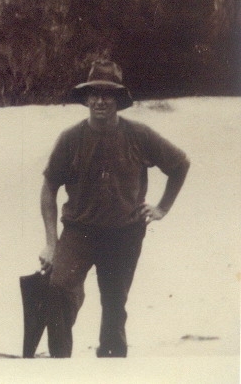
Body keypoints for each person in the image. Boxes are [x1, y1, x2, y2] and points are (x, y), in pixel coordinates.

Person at [38, 59, 190, 358]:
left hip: (124, 234)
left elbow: (180, 164)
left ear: (119, 100)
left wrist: (162, 208)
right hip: (78, 231)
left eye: (108, 94)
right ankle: (58, 367)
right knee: (58, 290)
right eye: (94, 93)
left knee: (114, 306)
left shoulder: (139, 135)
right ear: (86, 98)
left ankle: (112, 366)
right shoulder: (70, 139)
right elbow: (49, 187)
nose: (100, 101)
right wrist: (50, 242)